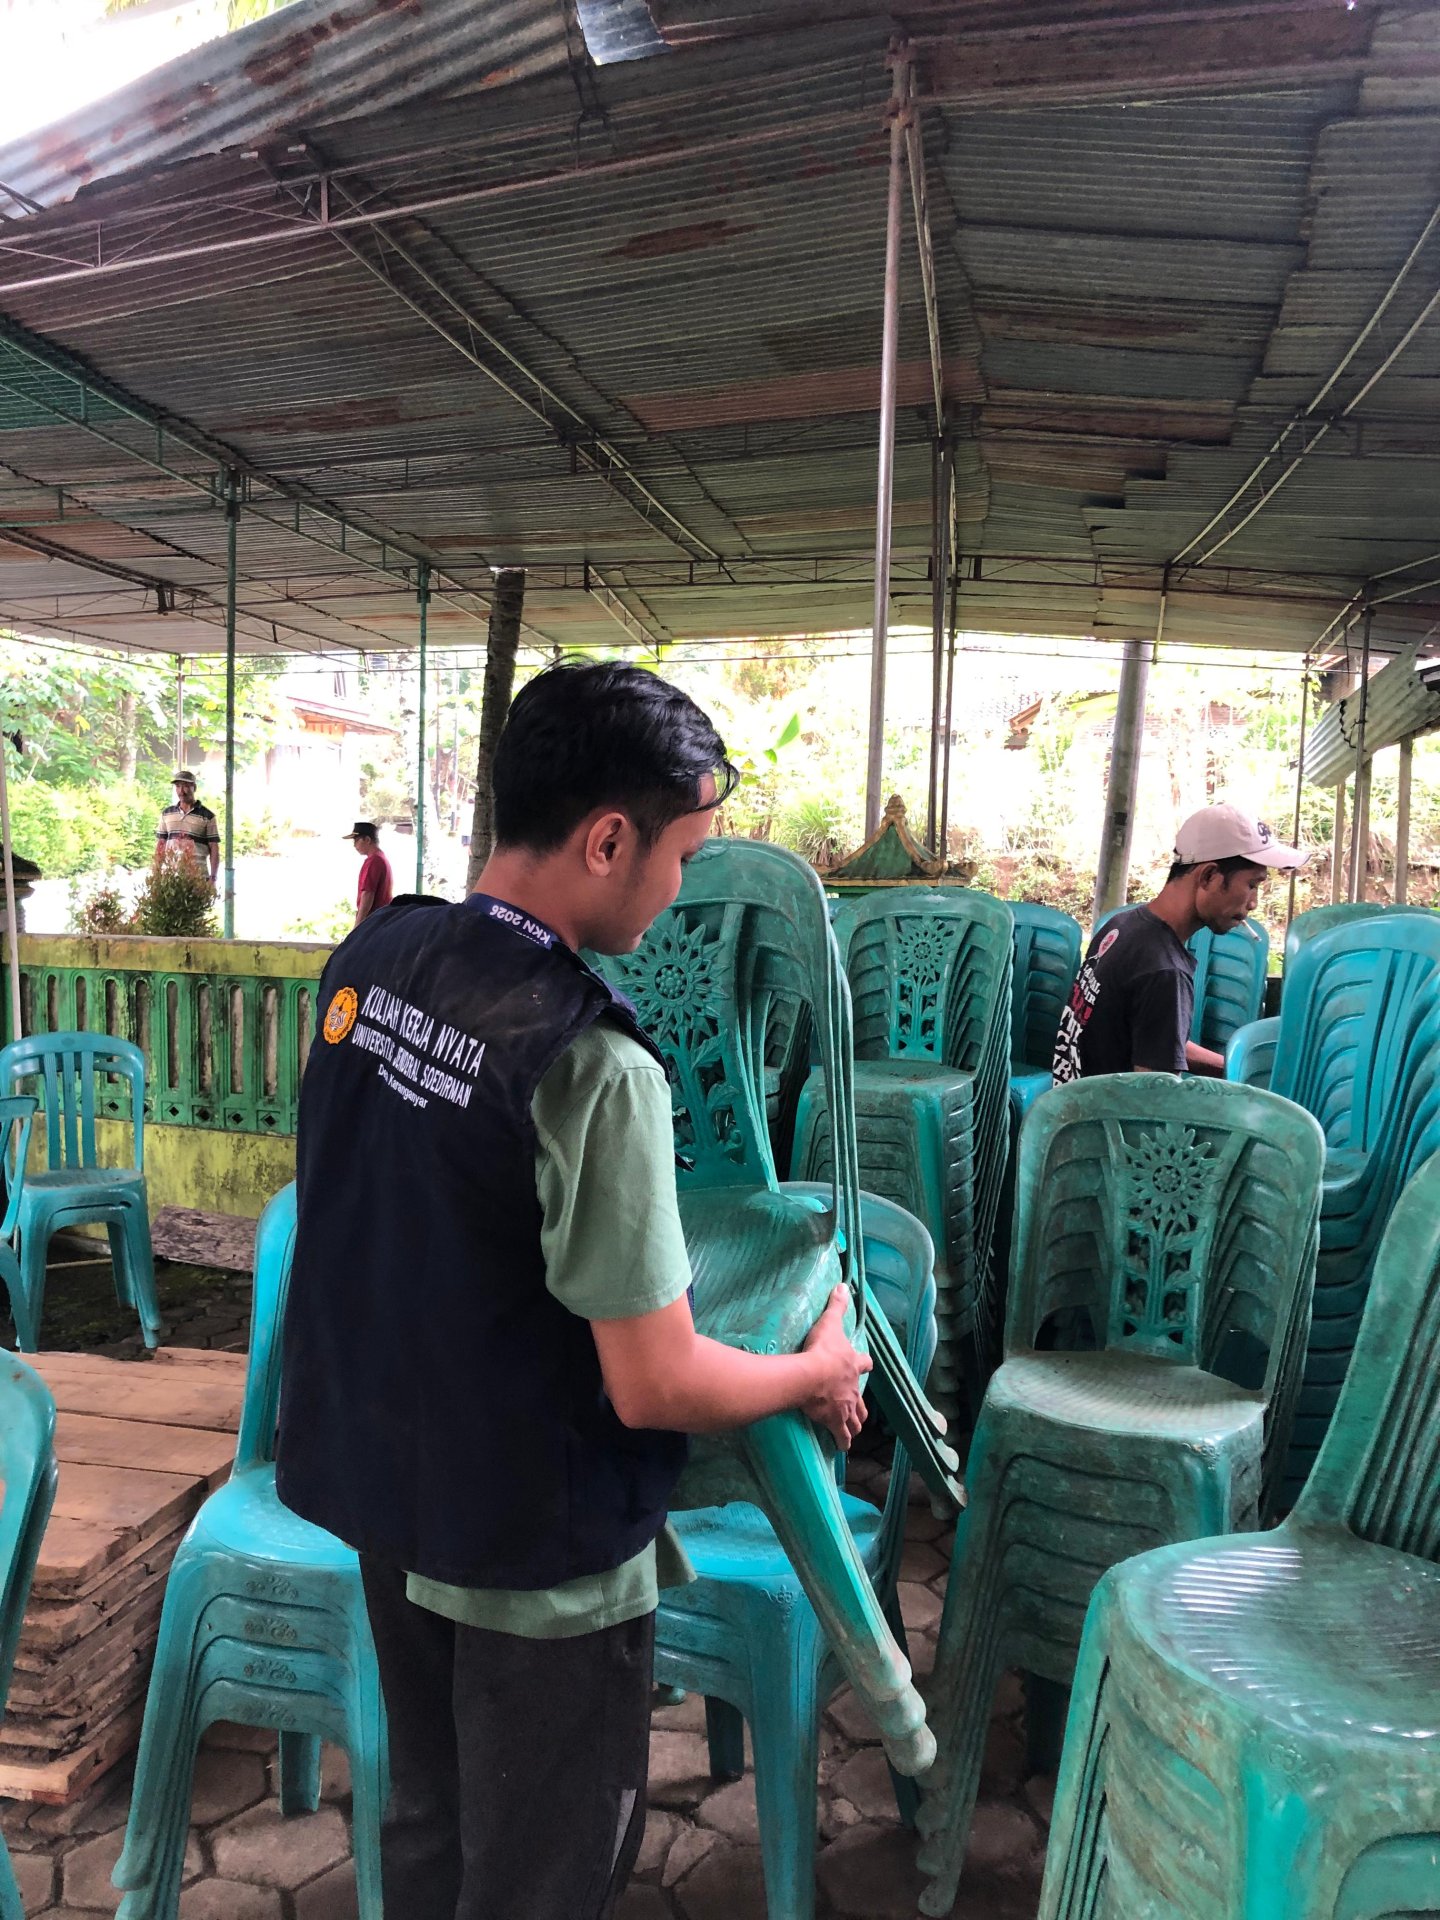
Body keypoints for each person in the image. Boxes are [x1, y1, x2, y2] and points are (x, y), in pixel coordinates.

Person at [276, 662, 871, 1920]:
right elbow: (654, 1382)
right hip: (536, 1563)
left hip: (394, 1499)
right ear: (608, 841)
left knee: (432, 1825)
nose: (679, 887)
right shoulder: (591, 1064)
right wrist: (812, 1372)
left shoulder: (374, 958)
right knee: (541, 1874)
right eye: (681, 857)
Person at [1053, 803, 1307, 1084]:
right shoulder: (1164, 971)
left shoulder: (1121, 926)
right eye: (1252, 885)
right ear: (1209, 876)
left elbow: (1156, 1042)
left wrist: (1240, 1070)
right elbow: (1155, 1095)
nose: (1254, 903)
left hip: (1070, 1104)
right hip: (1109, 1112)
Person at [154, 770, 219, 882]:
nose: (181, 791)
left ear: (194, 787)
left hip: (198, 877)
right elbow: (161, 843)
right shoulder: (167, 814)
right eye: (178, 786)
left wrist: (213, 878)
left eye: (185, 786)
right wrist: (156, 873)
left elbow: (214, 847)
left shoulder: (208, 816)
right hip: (171, 877)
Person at [345, 820, 393, 926]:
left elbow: (368, 894)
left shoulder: (374, 860)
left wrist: (358, 926)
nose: (354, 845)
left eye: (356, 840)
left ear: (367, 840)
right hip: (381, 919)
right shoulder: (381, 857)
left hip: (373, 921)